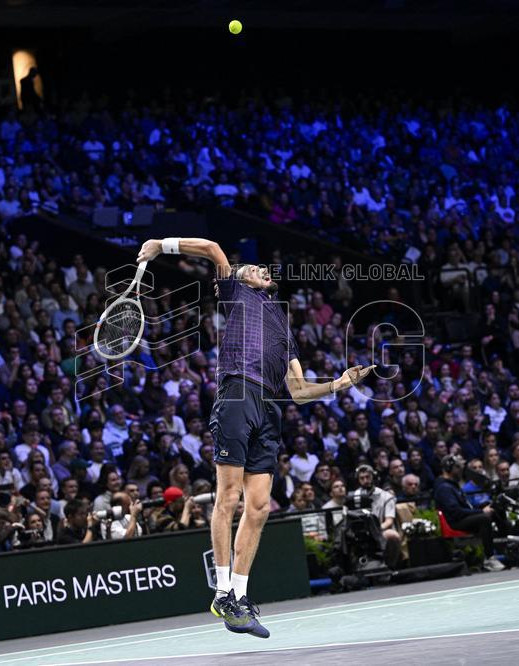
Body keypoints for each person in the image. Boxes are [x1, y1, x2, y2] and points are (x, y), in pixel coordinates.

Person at [138, 236, 373, 639]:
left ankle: (239, 598)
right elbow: (213, 248)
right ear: (241, 279)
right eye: (254, 268)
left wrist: (338, 383)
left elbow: (298, 390)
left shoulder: (282, 323)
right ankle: (222, 592)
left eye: (263, 270)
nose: (262, 270)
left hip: (270, 407)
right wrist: (162, 244)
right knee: (228, 496)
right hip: (238, 393)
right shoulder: (235, 294)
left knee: (260, 506)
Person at [433, 455, 505, 571]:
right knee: (484, 518)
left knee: (495, 509)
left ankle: (506, 548)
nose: (460, 471)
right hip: (455, 522)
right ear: (449, 469)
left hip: (461, 518)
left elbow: (466, 506)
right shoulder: (444, 488)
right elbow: (456, 512)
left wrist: (484, 507)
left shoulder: (452, 485)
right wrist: (481, 511)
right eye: (457, 468)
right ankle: (489, 558)